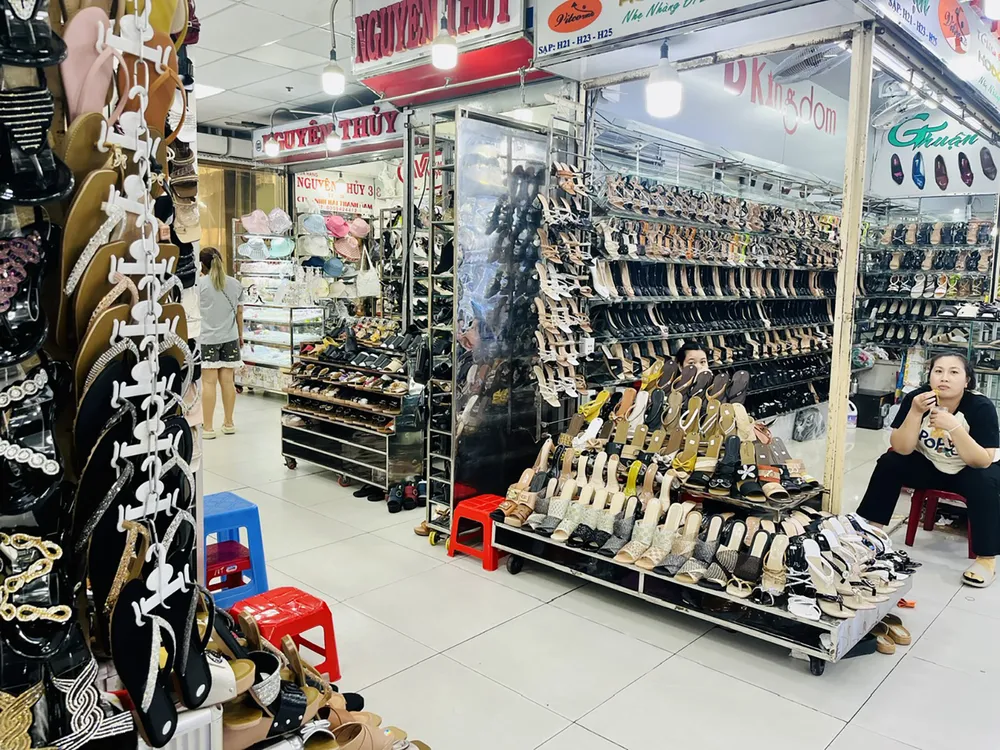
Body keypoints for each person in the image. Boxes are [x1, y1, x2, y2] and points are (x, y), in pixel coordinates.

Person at [856, 353, 1000, 588]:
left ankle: (986, 559)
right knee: (890, 462)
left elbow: (982, 460)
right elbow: (902, 448)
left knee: (985, 482)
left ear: (967, 381)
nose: (944, 378)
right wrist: (915, 412)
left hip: (968, 469)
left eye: (954, 372)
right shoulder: (918, 399)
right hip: (930, 464)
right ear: (930, 376)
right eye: (938, 371)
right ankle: (872, 533)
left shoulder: (980, 407)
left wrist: (954, 427)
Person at [198, 247, 244, 439]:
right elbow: (239, 313)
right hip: (230, 338)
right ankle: (229, 422)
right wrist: (240, 335)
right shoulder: (235, 284)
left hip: (207, 338)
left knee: (208, 383)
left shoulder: (199, 285)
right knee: (228, 382)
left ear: (201, 264)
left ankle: (208, 427)